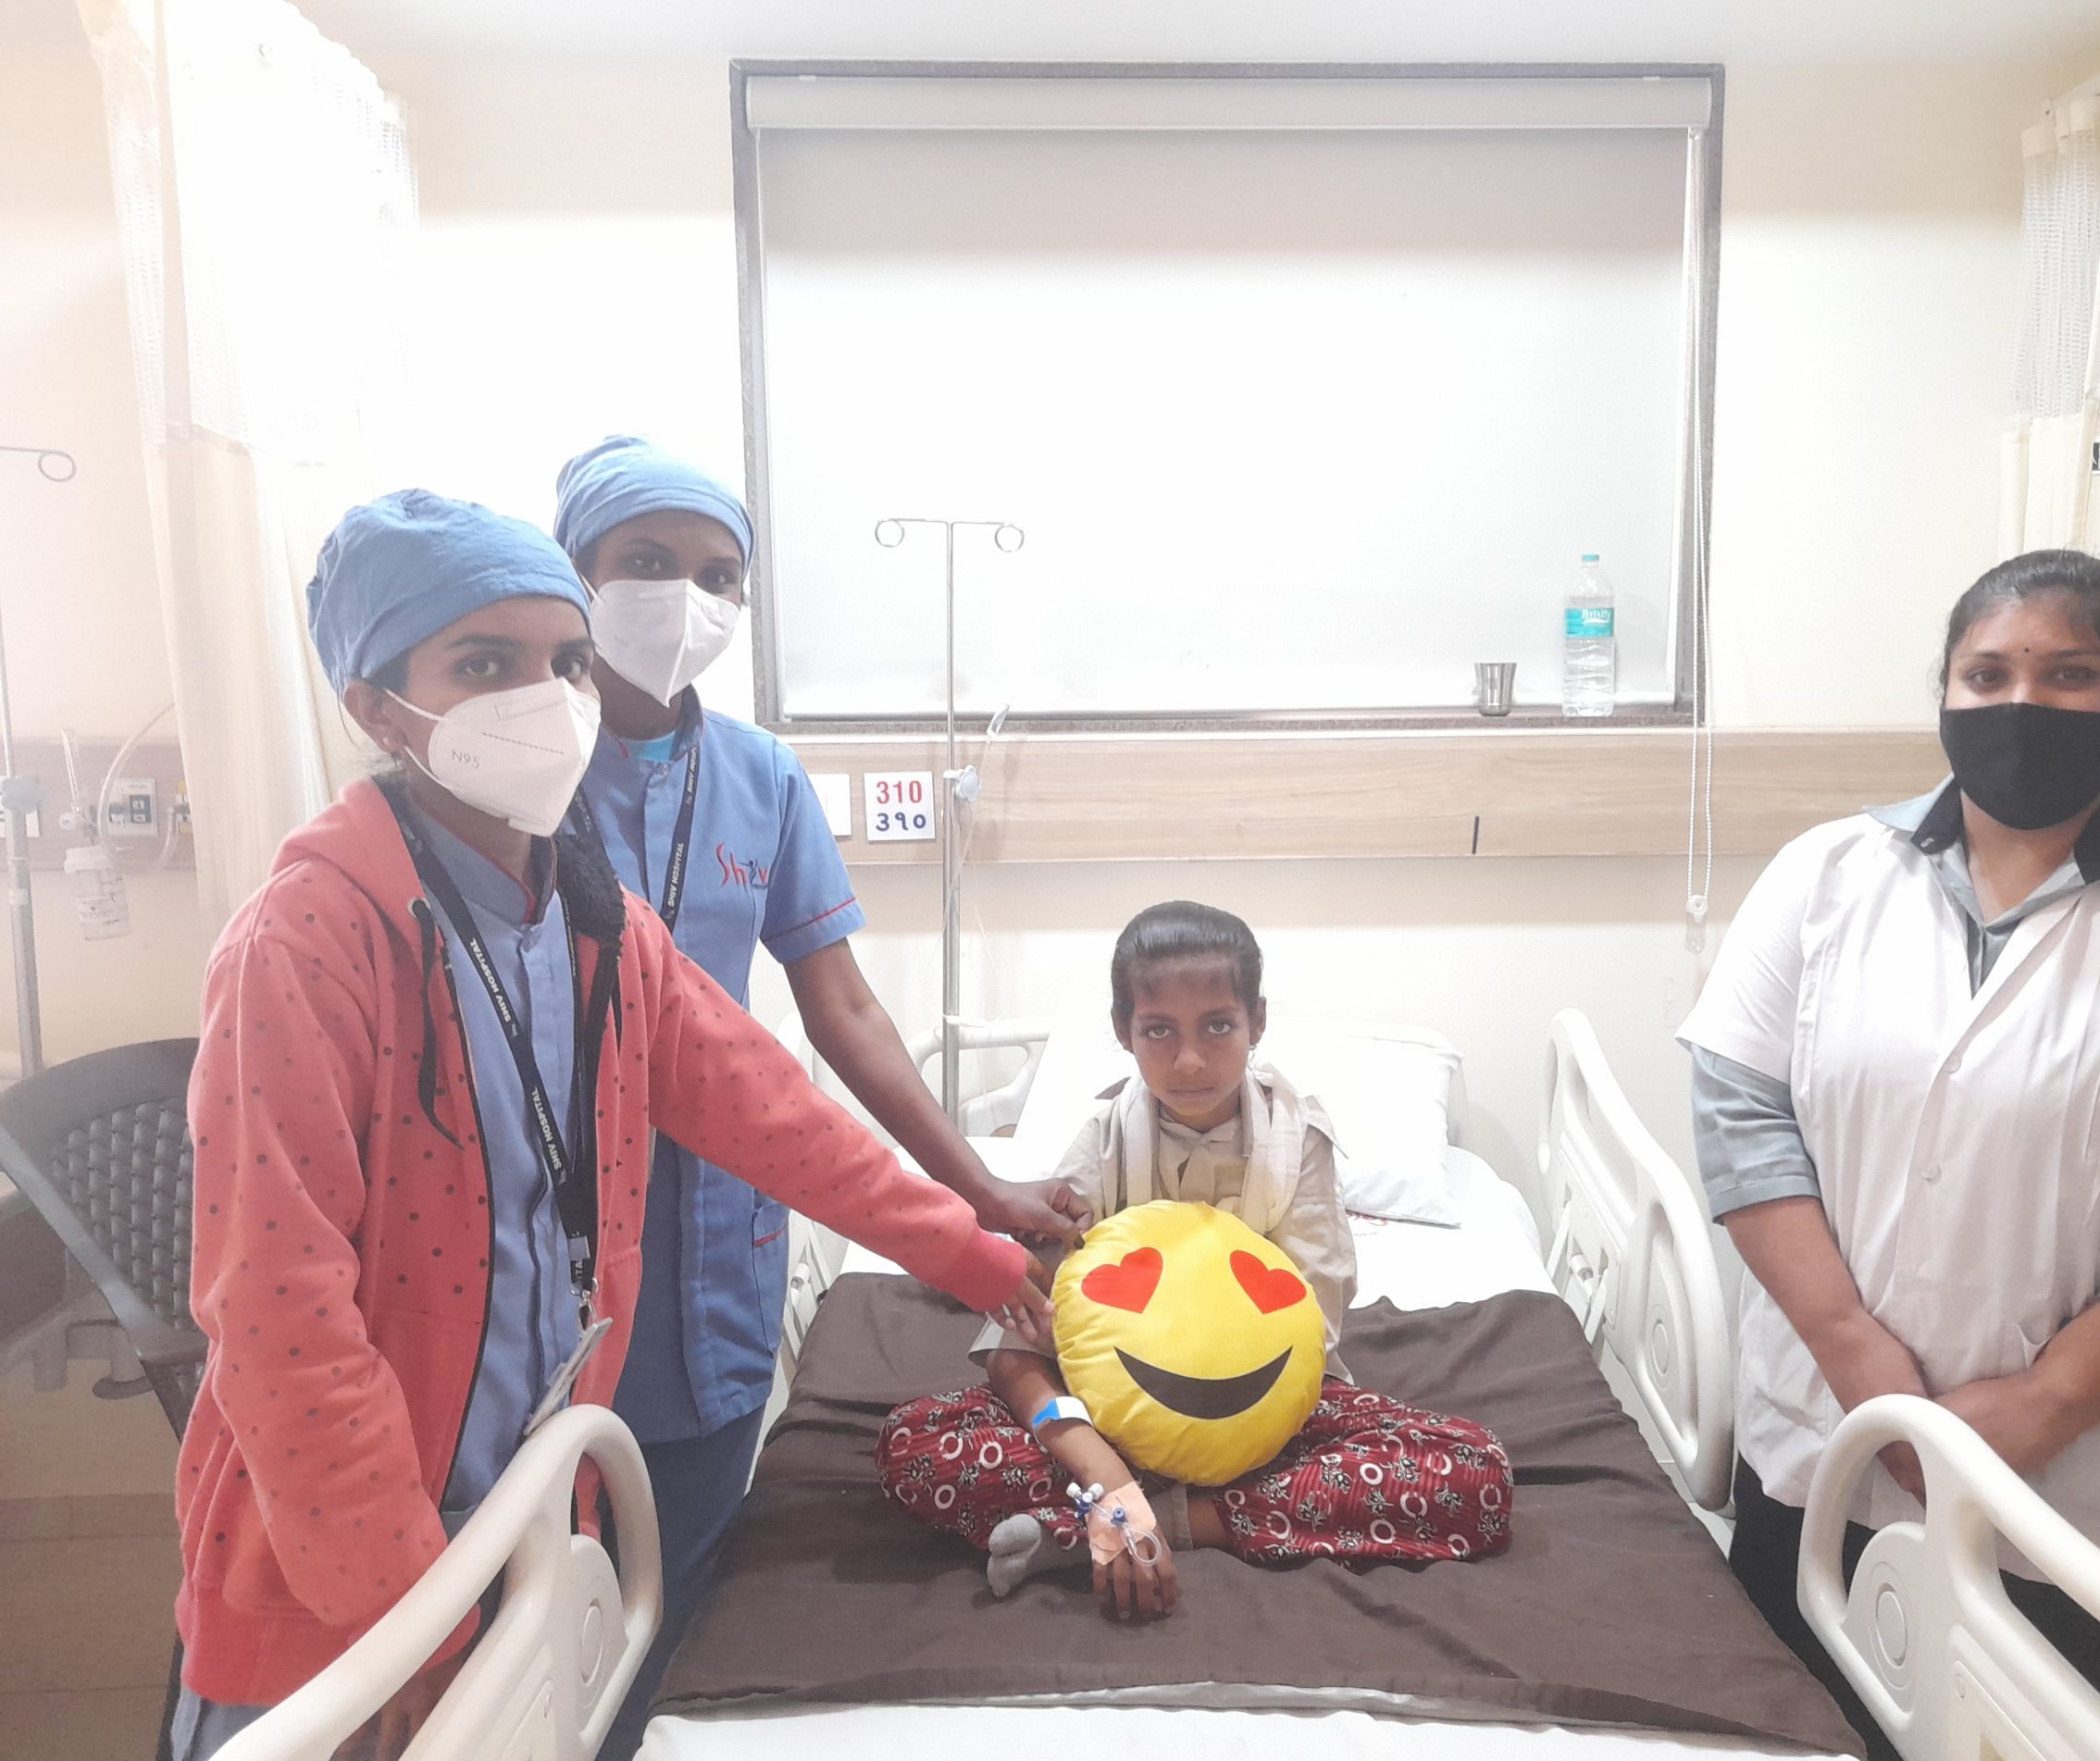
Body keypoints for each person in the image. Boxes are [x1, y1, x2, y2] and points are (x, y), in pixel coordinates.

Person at [168, 490, 1050, 1760]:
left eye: (566, 662)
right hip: (338, 1571)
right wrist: (399, 1616)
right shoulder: (310, 940)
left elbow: (775, 1115)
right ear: (375, 706)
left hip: (529, 1508)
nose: (546, 698)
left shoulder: (596, 923)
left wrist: (974, 1253)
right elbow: (279, 1318)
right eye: (485, 665)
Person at [1678, 550, 2100, 1755]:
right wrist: (1853, 1351)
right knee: (1808, 1729)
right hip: (1835, 1441)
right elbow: (1743, 1111)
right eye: (1987, 673)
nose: (2021, 703)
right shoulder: (1825, 876)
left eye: (2071, 675)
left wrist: (2046, 1404)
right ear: (1944, 688)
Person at [551, 434, 1087, 1751]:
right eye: (647, 562)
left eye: (716, 575)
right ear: (575, 574)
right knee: (542, 1585)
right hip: (555, 1221)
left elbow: (842, 1010)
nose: (684, 597)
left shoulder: (762, 778)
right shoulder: (519, 776)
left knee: (681, 1584)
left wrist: (978, 1188)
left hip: (720, 1225)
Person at [876, 901, 1513, 1620]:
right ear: (1123, 1030)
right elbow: (1013, 1347)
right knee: (914, 1446)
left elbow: (1313, 1336)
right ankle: (1142, 1513)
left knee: (1473, 1474)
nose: (1188, 1060)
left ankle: (1138, 1527)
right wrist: (1109, 1476)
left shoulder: (1299, 1146)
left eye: (1217, 1026)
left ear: (1256, 1023)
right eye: (1158, 1030)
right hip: (1109, 1424)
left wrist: (1138, 1496)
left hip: (1269, 1425)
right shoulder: (1101, 1150)